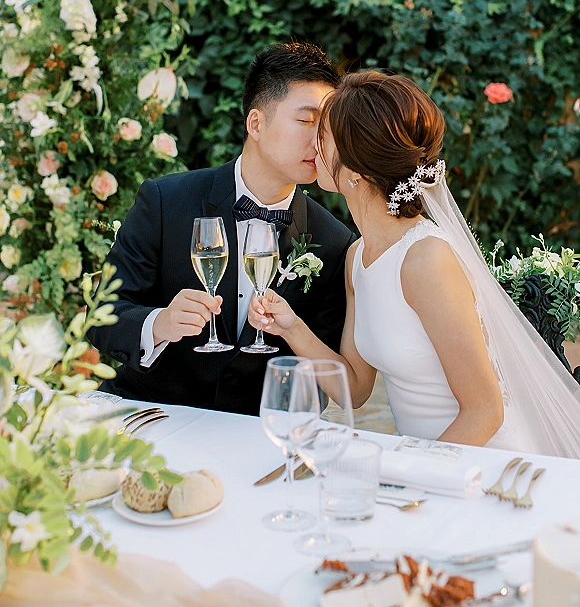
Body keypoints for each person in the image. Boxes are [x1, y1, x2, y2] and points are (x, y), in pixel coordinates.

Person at [249, 71, 580, 457]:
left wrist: (406, 473)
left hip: (484, 463)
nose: (311, 143)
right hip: (427, 464)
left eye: (321, 133)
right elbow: (354, 390)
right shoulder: (358, 257)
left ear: (356, 170)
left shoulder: (426, 259)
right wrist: (293, 328)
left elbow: (485, 412)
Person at [88, 42, 355, 415]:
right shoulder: (166, 201)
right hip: (149, 415)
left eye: (325, 127)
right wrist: (160, 322)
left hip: (253, 434)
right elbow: (102, 315)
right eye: (307, 121)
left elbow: (327, 376)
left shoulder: (333, 241)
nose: (320, 142)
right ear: (256, 123)